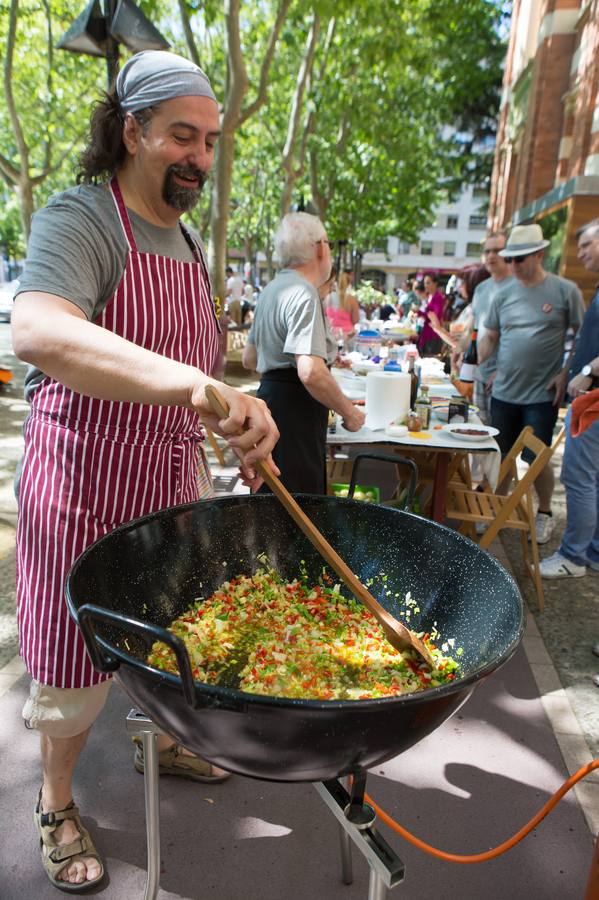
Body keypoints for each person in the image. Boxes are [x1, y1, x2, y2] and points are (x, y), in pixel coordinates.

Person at [10, 50, 279, 891]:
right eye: (180, 136)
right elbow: (40, 334)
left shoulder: (188, 238)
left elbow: (194, 366)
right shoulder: (80, 217)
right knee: (73, 657)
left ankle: (163, 735)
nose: (199, 155)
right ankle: (56, 800)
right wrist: (194, 383)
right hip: (83, 480)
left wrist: (233, 415)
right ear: (131, 132)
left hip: (165, 481)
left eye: (210, 140)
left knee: (168, 626)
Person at [243, 213, 365, 493]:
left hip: (270, 401)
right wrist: (349, 412)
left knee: (272, 501)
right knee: (298, 512)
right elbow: (310, 371)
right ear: (321, 248)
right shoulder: (303, 292)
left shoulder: (270, 290)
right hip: (295, 413)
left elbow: (251, 358)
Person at [478, 223, 584, 544]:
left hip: (542, 394)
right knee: (502, 455)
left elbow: (582, 336)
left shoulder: (565, 291)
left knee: (535, 460)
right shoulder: (503, 293)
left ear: (539, 254)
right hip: (504, 391)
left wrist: (567, 371)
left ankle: (545, 513)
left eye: (520, 259)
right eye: (510, 260)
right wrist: (477, 360)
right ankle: (497, 509)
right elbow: (493, 337)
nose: (513, 266)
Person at [540, 218, 599, 577]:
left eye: (587, 246)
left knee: (578, 477)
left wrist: (589, 370)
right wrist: (568, 371)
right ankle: (590, 552)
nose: (580, 254)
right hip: (587, 398)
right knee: (591, 478)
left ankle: (573, 556)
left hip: (593, 400)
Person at [455, 233, 515, 423]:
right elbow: (471, 327)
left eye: (497, 250)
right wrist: (459, 349)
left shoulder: (518, 287)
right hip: (480, 373)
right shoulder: (482, 288)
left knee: (498, 437)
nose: (491, 255)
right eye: (487, 251)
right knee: (479, 427)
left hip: (505, 377)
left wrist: (504, 370)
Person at [417, 272, 446, 356]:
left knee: (430, 359)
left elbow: (435, 317)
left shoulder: (438, 297)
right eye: (425, 283)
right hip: (427, 332)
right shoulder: (430, 296)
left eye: (428, 283)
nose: (425, 285)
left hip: (433, 334)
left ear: (435, 283)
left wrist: (419, 312)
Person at [324, 269, 360, 336]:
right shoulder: (352, 300)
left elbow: (324, 317)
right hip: (348, 336)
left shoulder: (327, 297)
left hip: (331, 335)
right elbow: (356, 320)